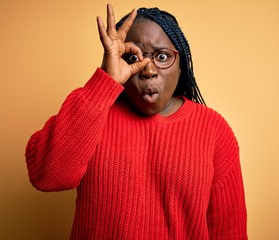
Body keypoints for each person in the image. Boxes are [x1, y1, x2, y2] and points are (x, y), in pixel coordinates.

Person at [25, 4, 247, 239]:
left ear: (182, 65)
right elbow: (47, 176)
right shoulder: (93, 114)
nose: (148, 70)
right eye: (133, 58)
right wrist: (104, 82)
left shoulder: (213, 130)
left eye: (162, 56)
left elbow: (229, 231)